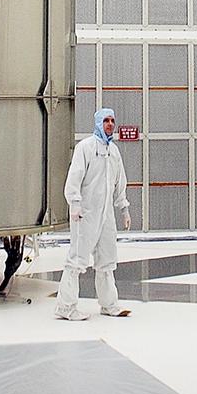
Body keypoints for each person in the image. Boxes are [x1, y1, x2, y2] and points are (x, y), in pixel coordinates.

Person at [55, 107, 131, 321]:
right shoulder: (85, 147)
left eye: (112, 120)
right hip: (85, 214)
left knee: (107, 260)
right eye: (106, 120)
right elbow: (74, 177)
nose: (110, 124)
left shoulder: (113, 151)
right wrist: (75, 203)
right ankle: (65, 307)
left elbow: (119, 181)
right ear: (98, 123)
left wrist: (123, 208)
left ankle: (109, 304)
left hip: (106, 214)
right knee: (77, 259)